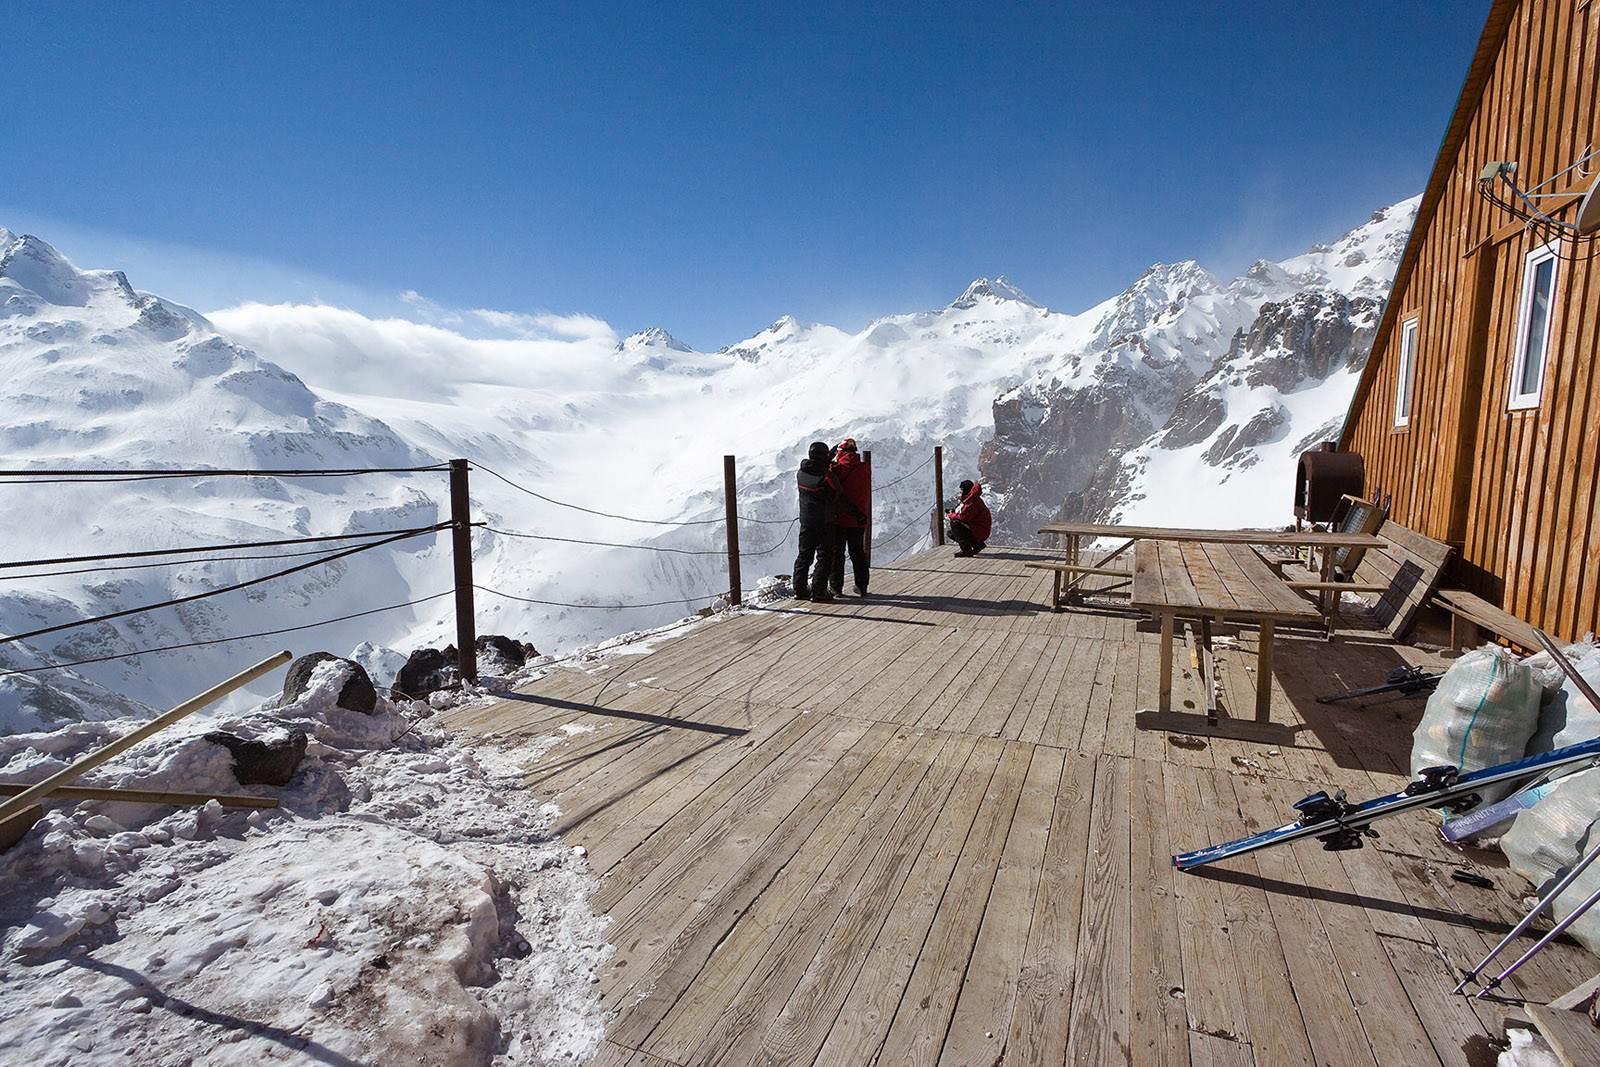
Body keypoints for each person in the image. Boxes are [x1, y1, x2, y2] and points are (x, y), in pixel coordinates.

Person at [794, 441, 846, 601]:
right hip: (824, 521)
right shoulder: (826, 477)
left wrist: (827, 459)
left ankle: (799, 590)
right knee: (824, 556)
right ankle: (818, 591)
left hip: (806, 521)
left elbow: (815, 468)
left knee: (804, 555)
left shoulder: (801, 472)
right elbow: (838, 494)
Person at [828, 438, 871, 597]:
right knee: (858, 553)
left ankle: (836, 587)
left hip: (840, 519)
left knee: (837, 554)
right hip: (859, 518)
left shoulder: (838, 469)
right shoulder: (865, 468)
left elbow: (826, 473)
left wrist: (829, 458)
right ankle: (862, 586)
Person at [947, 479, 991, 557]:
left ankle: (966, 550)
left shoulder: (972, 501)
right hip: (978, 528)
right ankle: (977, 545)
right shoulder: (972, 499)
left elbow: (964, 517)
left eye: (962, 489)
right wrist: (954, 512)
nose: (960, 492)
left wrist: (951, 515)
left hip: (979, 530)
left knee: (955, 524)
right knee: (951, 533)